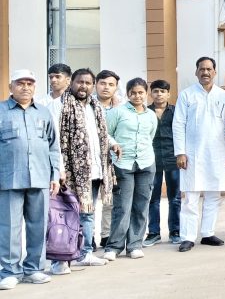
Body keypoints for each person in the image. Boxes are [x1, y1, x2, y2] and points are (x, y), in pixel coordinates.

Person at [0, 70, 61, 290]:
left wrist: (55, 175)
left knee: (38, 225)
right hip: (8, 178)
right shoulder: (1, 111)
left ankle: (34, 268)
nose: (25, 87)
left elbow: (53, 146)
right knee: (9, 227)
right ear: (11, 87)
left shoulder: (43, 113)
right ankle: (9, 271)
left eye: (30, 83)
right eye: (20, 83)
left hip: (40, 177)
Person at [53, 68, 117, 270]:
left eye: (88, 83)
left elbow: (99, 136)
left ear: (93, 85)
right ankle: (65, 256)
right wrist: (60, 169)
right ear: (72, 82)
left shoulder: (95, 106)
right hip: (72, 172)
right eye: (80, 82)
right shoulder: (60, 105)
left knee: (88, 213)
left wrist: (113, 143)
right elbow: (54, 140)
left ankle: (85, 252)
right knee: (69, 214)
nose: (84, 86)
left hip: (96, 170)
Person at [173, 58, 225, 253]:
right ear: (196, 72)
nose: (205, 72)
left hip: (216, 152)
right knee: (190, 197)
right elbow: (178, 124)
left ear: (215, 72)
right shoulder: (186, 95)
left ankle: (208, 233)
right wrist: (180, 152)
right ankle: (188, 237)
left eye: (209, 69)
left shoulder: (223, 95)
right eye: (202, 69)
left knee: (213, 195)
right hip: (192, 154)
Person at [103, 78, 158, 260]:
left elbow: (150, 136)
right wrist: (114, 145)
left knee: (141, 206)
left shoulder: (150, 115)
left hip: (145, 163)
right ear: (127, 93)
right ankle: (114, 246)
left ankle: (134, 244)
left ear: (146, 93)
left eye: (141, 92)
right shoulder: (117, 112)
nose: (137, 96)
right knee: (122, 207)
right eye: (133, 92)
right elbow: (107, 133)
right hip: (123, 164)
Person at [145, 80, 180, 247]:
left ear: (168, 94)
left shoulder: (176, 111)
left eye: (163, 91)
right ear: (151, 94)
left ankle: (175, 231)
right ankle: (153, 233)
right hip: (151, 158)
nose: (159, 94)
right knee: (153, 198)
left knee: (175, 198)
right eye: (156, 91)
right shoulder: (145, 112)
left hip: (173, 157)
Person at [95, 69, 120, 249]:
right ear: (96, 84)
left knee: (109, 200)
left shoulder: (121, 108)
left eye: (111, 84)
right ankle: (87, 237)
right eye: (103, 83)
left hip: (114, 160)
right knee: (87, 199)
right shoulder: (87, 105)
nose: (106, 87)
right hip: (91, 159)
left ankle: (106, 235)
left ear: (116, 87)